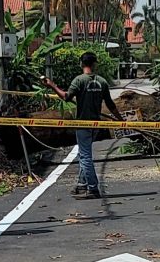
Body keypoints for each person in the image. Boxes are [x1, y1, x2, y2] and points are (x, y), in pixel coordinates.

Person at [44, 52, 124, 199]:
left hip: (83, 124)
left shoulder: (79, 80)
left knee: (85, 156)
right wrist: (120, 120)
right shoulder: (102, 82)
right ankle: (81, 185)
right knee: (83, 153)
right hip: (95, 125)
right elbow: (111, 104)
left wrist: (52, 85)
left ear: (81, 64)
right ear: (95, 64)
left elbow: (66, 97)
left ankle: (93, 188)